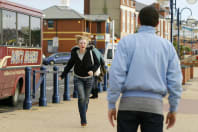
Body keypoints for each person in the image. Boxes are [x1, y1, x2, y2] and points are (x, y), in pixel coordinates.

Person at [107, 5, 183, 132]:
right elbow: (175, 80)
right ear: (158, 23)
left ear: (138, 21)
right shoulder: (167, 46)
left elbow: (116, 74)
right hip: (154, 107)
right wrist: (173, 109)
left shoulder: (126, 42)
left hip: (128, 105)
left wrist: (111, 103)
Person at [59, 35, 99, 127]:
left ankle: (83, 110)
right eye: (81, 43)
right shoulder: (74, 53)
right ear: (78, 44)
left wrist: (92, 71)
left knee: (86, 99)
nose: (82, 44)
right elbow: (69, 65)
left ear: (87, 44)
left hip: (89, 79)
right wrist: (63, 75)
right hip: (78, 78)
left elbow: (97, 63)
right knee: (81, 98)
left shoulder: (91, 52)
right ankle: (83, 120)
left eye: (84, 43)